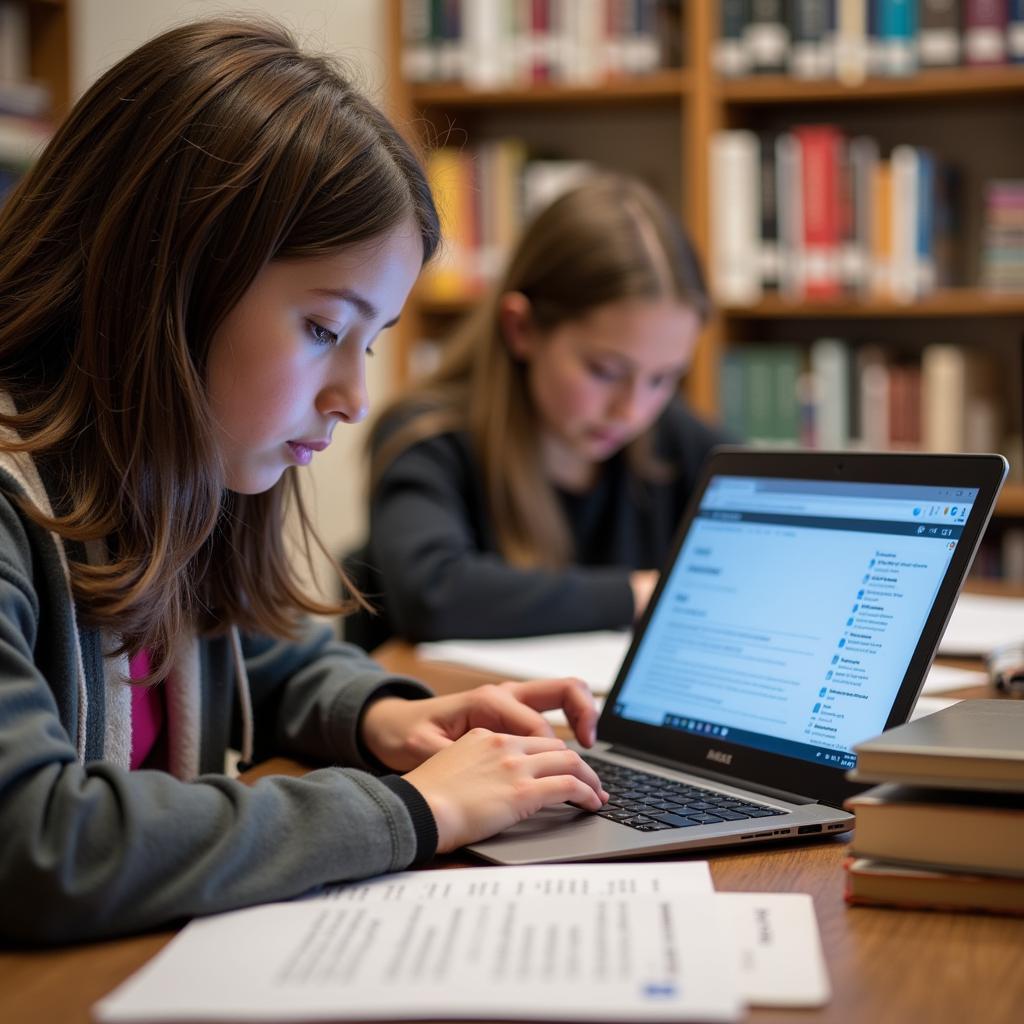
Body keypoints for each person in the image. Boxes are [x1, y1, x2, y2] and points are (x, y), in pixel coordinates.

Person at [0, 18, 607, 947]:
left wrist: (386, 716)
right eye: (325, 329)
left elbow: (252, 658)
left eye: (374, 341)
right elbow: (36, 844)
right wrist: (410, 811)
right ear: (166, 277)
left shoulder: (157, 485)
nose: (356, 398)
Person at [352, 174, 730, 647]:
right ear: (521, 328)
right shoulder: (428, 437)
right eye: (605, 370)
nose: (632, 411)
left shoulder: (678, 441)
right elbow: (432, 593)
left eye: (663, 378)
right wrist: (634, 594)